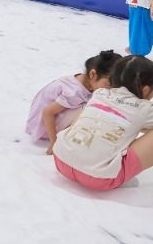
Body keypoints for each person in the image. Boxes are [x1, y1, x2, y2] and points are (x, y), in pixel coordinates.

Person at [53, 55, 153, 191]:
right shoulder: (144, 108)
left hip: (61, 159)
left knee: (95, 113)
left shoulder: (100, 93)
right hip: (99, 178)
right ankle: (121, 172)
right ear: (146, 90)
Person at [26, 51, 121, 154]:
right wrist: (54, 142)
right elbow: (47, 112)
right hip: (44, 127)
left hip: (48, 118)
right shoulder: (74, 92)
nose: (110, 89)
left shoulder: (87, 81)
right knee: (88, 110)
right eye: (108, 85)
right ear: (92, 74)